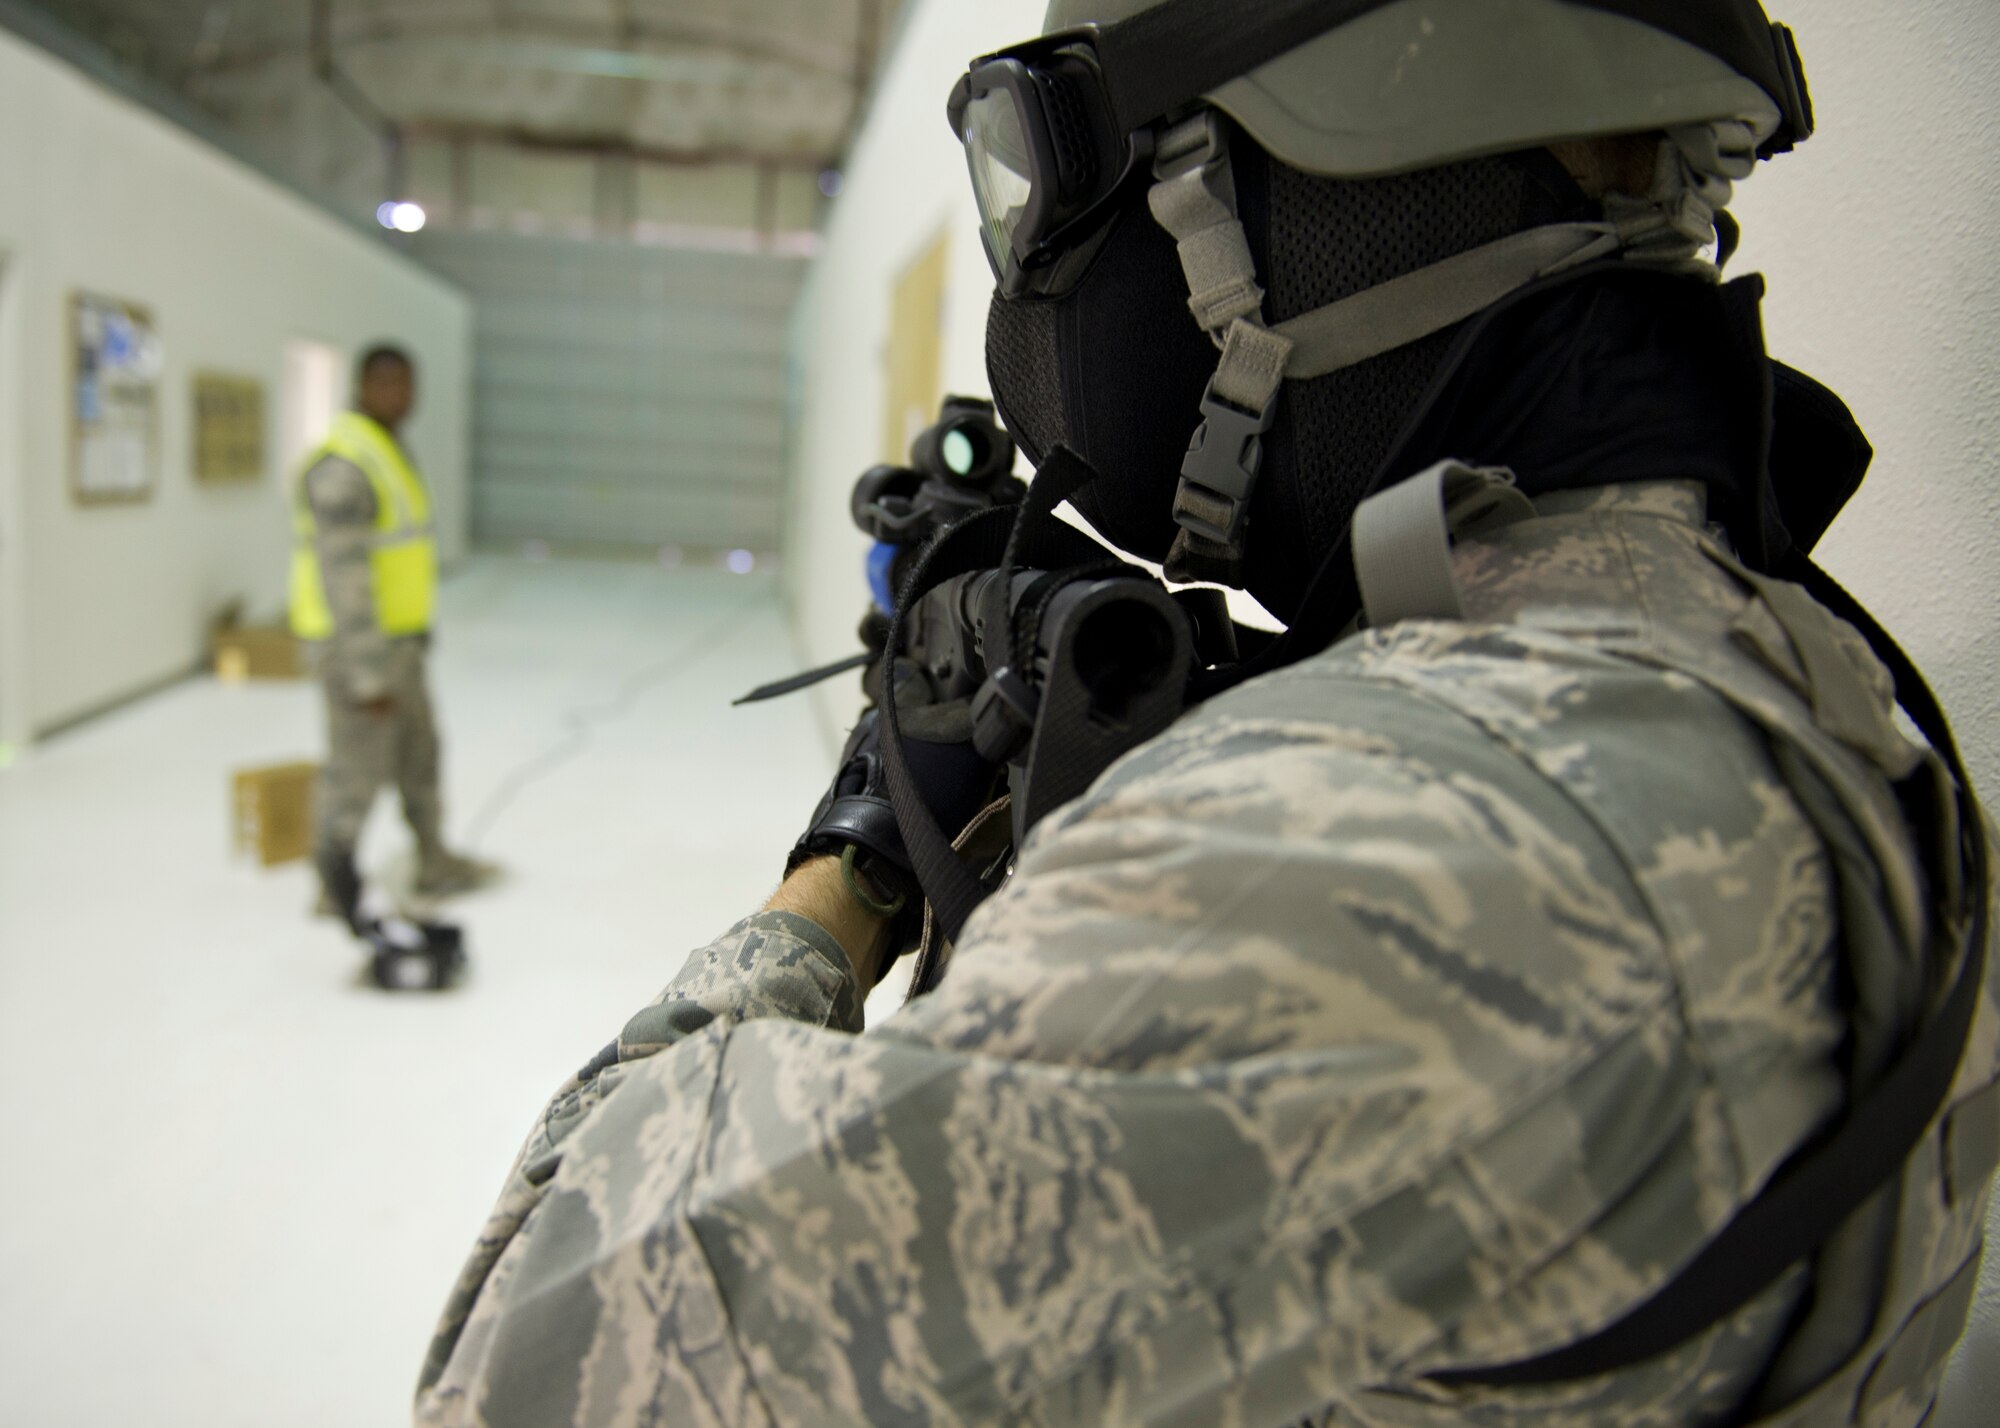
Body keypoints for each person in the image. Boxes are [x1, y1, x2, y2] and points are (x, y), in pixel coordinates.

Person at [415, 2, 1998, 1424]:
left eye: (1082, 177)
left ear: (1322, 185)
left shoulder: (1386, 852)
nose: (1064, 279)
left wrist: (857, 864)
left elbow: (525, 1364)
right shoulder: (1819, 683)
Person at [291, 344, 494, 918]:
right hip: (358, 649)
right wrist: (366, 673)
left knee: (419, 759)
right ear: (362, 386)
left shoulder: (387, 449)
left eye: (408, 386)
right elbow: (345, 577)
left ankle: (433, 859)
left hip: (401, 643)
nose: (401, 397)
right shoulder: (345, 464)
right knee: (355, 772)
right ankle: (332, 887)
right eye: (388, 385)